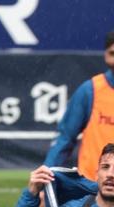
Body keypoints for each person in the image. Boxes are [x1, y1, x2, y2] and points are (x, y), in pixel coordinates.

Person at [44, 30, 114, 181]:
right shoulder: (90, 90)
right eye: (113, 53)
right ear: (106, 55)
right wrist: (46, 179)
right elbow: (65, 138)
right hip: (93, 188)